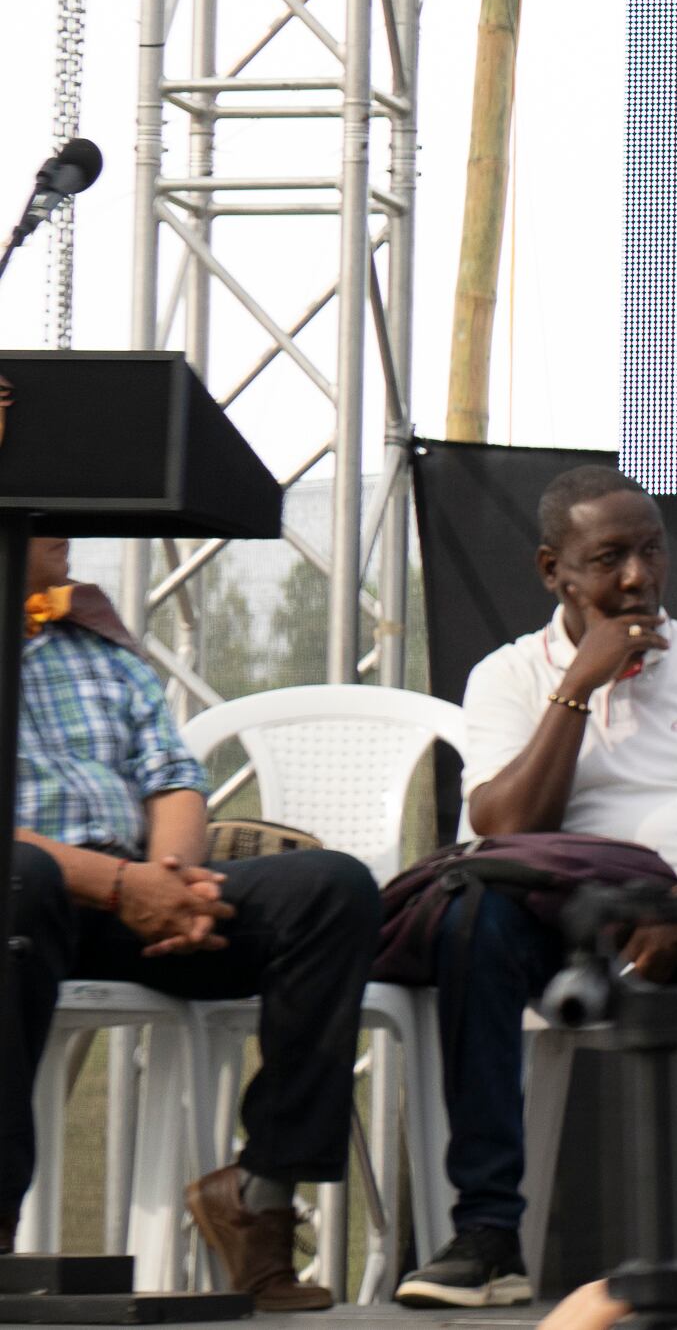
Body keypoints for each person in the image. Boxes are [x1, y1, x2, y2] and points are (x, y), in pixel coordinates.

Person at [405, 465, 677, 1311]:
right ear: (551, 570)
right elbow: (503, 826)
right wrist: (577, 687)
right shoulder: (507, 675)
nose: (638, 576)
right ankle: (488, 1233)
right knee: (471, 919)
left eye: (651, 550)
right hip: (556, 919)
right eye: (609, 558)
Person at [3, 534, 380, 1312]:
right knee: (22, 876)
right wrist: (117, 885)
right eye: (42, 516)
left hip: (135, 889)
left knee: (330, 888)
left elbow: (173, 775)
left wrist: (173, 886)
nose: (65, 533)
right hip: (29, 892)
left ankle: (258, 1197)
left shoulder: (94, 643)